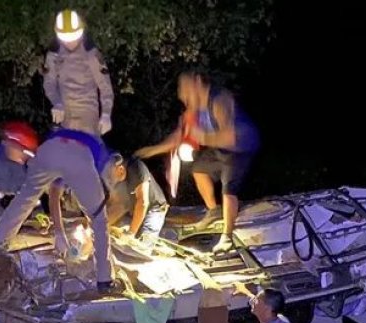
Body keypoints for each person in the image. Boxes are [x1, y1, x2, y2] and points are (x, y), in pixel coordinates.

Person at [136, 71, 259, 253]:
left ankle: (227, 237)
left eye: (186, 92)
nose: (185, 99)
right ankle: (214, 210)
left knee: (228, 188)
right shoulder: (193, 112)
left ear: (198, 82)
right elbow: (179, 136)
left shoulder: (219, 100)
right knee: (199, 170)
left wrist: (202, 137)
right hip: (219, 148)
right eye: (183, 96)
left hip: (240, 146)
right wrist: (153, 150)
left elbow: (229, 136)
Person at [0, 127, 117, 294]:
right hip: (79, 155)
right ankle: (105, 280)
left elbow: (54, 194)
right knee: (99, 218)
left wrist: (60, 233)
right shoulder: (104, 157)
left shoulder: (69, 134)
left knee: (24, 201)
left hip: (47, 150)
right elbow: (101, 201)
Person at [44, 9, 114, 137]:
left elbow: (105, 88)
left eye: (73, 37)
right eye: (65, 38)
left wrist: (106, 114)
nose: (69, 42)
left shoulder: (91, 54)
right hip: (64, 117)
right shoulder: (53, 54)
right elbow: (49, 83)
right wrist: (57, 102)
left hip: (89, 119)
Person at [106, 152, 169, 245]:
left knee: (144, 246)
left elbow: (143, 203)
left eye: (112, 177)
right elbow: (118, 206)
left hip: (154, 209)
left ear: (121, 169)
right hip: (131, 210)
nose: (111, 181)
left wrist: (130, 233)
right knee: (114, 239)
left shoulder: (136, 168)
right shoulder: (111, 175)